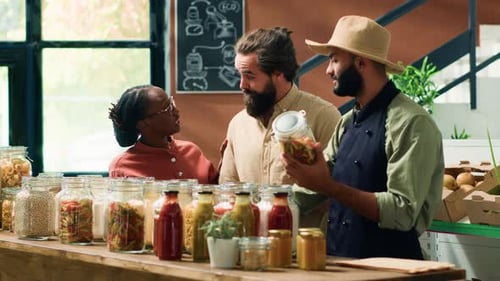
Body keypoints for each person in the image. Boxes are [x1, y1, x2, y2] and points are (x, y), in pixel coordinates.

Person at [281, 15, 444, 259]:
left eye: (335, 60)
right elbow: (316, 185)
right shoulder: (347, 122)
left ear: (361, 63)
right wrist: (266, 203)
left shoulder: (411, 123)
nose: (328, 70)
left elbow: (402, 211)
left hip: (392, 269)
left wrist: (329, 186)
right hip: (340, 262)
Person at [219, 27, 342, 228]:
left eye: (249, 75)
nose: (241, 84)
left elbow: (339, 190)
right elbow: (228, 191)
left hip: (306, 251)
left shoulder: (323, 117)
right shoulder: (237, 125)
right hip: (250, 248)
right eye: (239, 74)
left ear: (278, 73)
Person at [108, 85, 218, 184]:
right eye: (167, 108)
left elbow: (218, 193)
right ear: (143, 123)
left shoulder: (192, 151)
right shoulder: (122, 167)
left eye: (172, 103)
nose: (176, 112)